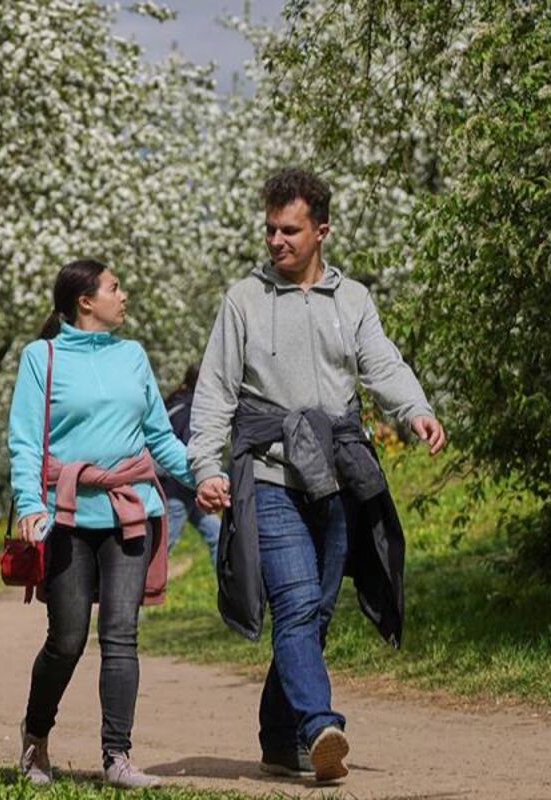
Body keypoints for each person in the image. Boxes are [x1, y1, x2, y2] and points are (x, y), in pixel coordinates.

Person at [189, 168, 446, 783]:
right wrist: (203, 463)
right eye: (271, 229)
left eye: (291, 231)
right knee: (298, 604)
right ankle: (320, 726)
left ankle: (279, 740)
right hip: (271, 475)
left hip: (335, 478)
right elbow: (216, 389)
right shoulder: (243, 300)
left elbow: (382, 362)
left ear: (321, 230)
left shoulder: (352, 299)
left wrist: (415, 408)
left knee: (317, 614)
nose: (277, 241)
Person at [10, 259, 194, 788]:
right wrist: (29, 504)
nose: (125, 295)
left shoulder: (132, 355)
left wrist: (204, 475)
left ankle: (117, 757)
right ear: (85, 301)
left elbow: (159, 438)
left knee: (121, 635)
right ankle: (36, 738)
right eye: (116, 287)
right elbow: (25, 440)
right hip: (65, 517)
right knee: (67, 639)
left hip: (130, 511)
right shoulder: (39, 357)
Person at [160, 364, 220, 570]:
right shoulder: (190, 410)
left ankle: (230, 593)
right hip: (177, 490)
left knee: (217, 535)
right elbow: (191, 451)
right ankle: (135, 593)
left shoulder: (175, 404)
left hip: (187, 489)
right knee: (162, 548)